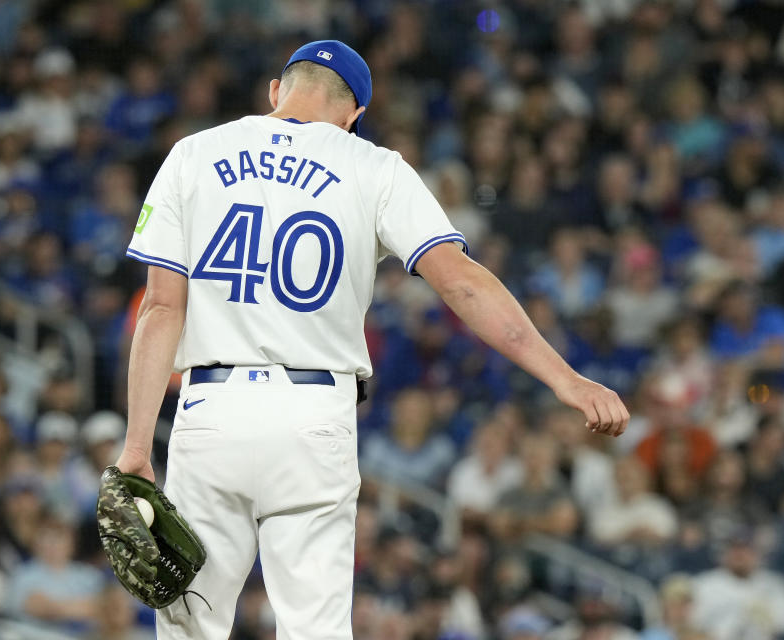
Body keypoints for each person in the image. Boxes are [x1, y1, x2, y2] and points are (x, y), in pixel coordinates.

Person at [115, 39, 629, 639]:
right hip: (314, 414)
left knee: (188, 628)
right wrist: (565, 377)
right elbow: (462, 283)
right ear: (354, 114)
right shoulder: (374, 166)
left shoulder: (193, 154)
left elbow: (159, 308)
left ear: (276, 91)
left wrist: (135, 449)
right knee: (316, 630)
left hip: (210, 410)